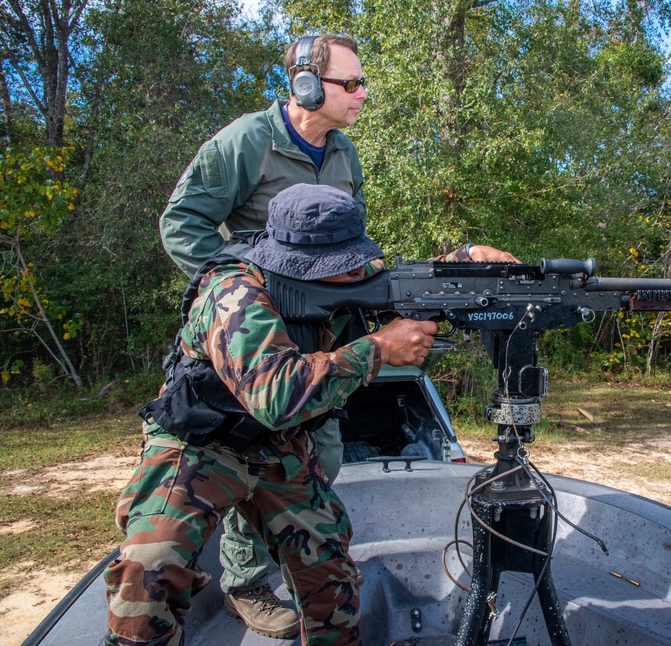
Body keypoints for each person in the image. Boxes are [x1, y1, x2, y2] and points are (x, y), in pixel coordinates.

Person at [158, 34, 516, 638]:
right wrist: (238, 293)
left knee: (318, 454)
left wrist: (454, 264)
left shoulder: (344, 152)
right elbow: (181, 223)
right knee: (246, 449)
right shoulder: (249, 141)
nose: (362, 94)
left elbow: (353, 256)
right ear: (304, 84)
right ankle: (245, 582)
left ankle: (297, 565)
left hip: (320, 344)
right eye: (350, 84)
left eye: (362, 82)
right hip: (254, 339)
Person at [106, 184, 508, 645]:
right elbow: (275, 397)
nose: (358, 271)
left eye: (355, 258)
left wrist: (465, 258)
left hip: (278, 447)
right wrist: (377, 348)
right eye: (341, 266)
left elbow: (398, 281)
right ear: (295, 263)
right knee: (149, 574)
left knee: (331, 581)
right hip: (200, 442)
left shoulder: (349, 269)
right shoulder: (233, 291)